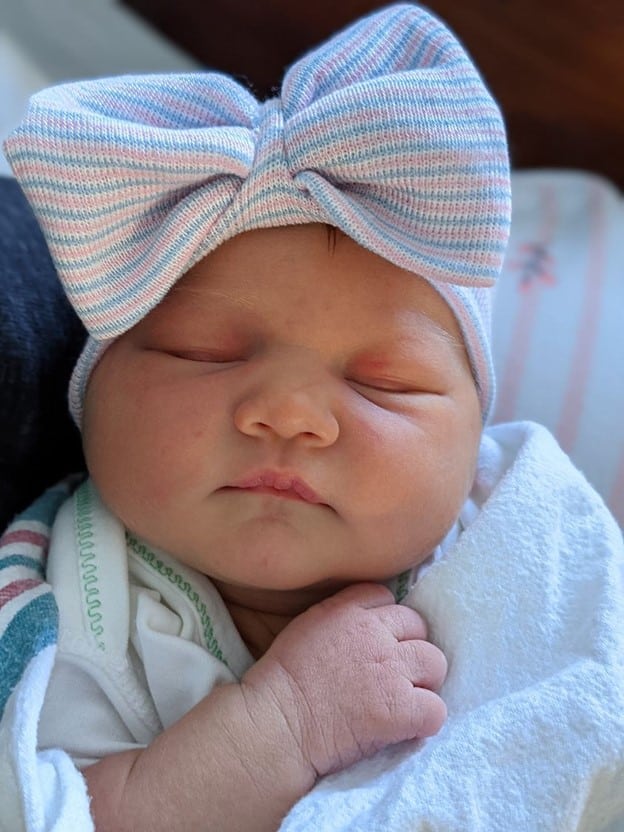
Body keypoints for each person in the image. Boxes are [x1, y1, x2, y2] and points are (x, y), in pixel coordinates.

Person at [2, 5, 623, 832]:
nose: (290, 414)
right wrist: (284, 724)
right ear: (90, 393)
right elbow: (51, 811)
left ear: (474, 435)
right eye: (204, 352)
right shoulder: (62, 600)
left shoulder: (521, 536)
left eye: (385, 382)